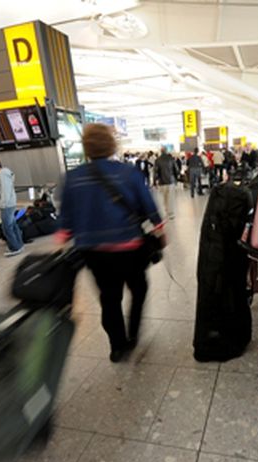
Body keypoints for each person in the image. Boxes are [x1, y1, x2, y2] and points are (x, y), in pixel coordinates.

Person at [56, 123, 165, 363]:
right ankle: (133, 334)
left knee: (109, 297)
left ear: (86, 148)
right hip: (130, 248)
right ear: (111, 145)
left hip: (93, 251)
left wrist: (64, 238)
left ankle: (117, 347)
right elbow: (149, 207)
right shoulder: (128, 173)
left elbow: (64, 222)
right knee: (139, 289)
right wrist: (159, 227)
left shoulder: (72, 178)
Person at [154, 147, 179, 219]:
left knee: (165, 197)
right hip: (171, 181)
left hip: (162, 182)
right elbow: (176, 170)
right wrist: (176, 179)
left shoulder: (157, 160)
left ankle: (166, 211)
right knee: (170, 197)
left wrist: (154, 182)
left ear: (161, 152)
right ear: (166, 151)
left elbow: (155, 172)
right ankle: (171, 213)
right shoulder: (171, 159)